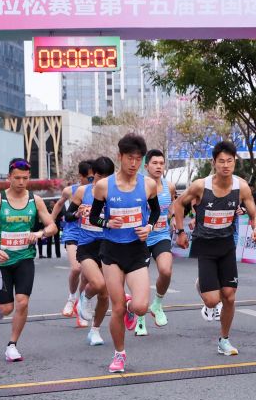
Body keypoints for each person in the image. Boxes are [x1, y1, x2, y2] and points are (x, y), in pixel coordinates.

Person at [174, 141, 256, 355]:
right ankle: (202, 285)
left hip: (226, 244)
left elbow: (253, 214)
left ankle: (224, 339)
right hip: (205, 244)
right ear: (214, 163)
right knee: (213, 300)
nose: (225, 165)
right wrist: (181, 232)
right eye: (221, 161)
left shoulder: (241, 187)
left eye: (229, 161)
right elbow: (178, 204)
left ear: (235, 162)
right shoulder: (200, 186)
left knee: (229, 295)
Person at [88, 134, 161, 373]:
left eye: (138, 159)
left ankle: (132, 307)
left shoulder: (148, 184)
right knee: (116, 308)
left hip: (136, 249)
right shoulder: (103, 186)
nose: (134, 163)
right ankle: (119, 354)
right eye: (130, 158)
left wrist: (148, 227)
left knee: (141, 307)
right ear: (120, 156)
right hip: (111, 251)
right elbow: (93, 217)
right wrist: (107, 222)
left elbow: (155, 212)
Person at [0, 158, 57, 362]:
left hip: (25, 258)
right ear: (9, 177)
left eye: (25, 178)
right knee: (7, 309)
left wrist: (39, 234)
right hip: (2, 261)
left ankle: (12, 345)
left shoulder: (35, 201)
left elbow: (52, 227)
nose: (21, 182)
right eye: (17, 178)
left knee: (22, 302)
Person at [68, 156, 117, 343]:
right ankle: (84, 296)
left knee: (105, 295)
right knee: (97, 284)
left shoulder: (114, 194)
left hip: (107, 245)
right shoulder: (83, 191)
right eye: (98, 176)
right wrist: (77, 213)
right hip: (86, 245)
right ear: (92, 175)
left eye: (106, 177)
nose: (101, 180)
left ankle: (95, 330)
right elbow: (67, 215)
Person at [135, 149, 178, 337]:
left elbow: (172, 204)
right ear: (146, 166)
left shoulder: (170, 186)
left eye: (161, 163)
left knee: (166, 271)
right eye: (154, 163)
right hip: (141, 239)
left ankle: (157, 304)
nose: (159, 166)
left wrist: (173, 218)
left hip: (161, 235)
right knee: (141, 281)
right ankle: (140, 319)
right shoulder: (138, 186)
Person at [51, 160, 93, 319]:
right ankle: (71, 298)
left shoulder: (99, 190)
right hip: (73, 232)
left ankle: (81, 302)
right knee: (76, 268)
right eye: (89, 178)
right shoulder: (70, 191)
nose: (93, 181)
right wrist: (50, 222)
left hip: (89, 233)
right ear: (81, 176)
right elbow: (59, 205)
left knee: (87, 275)